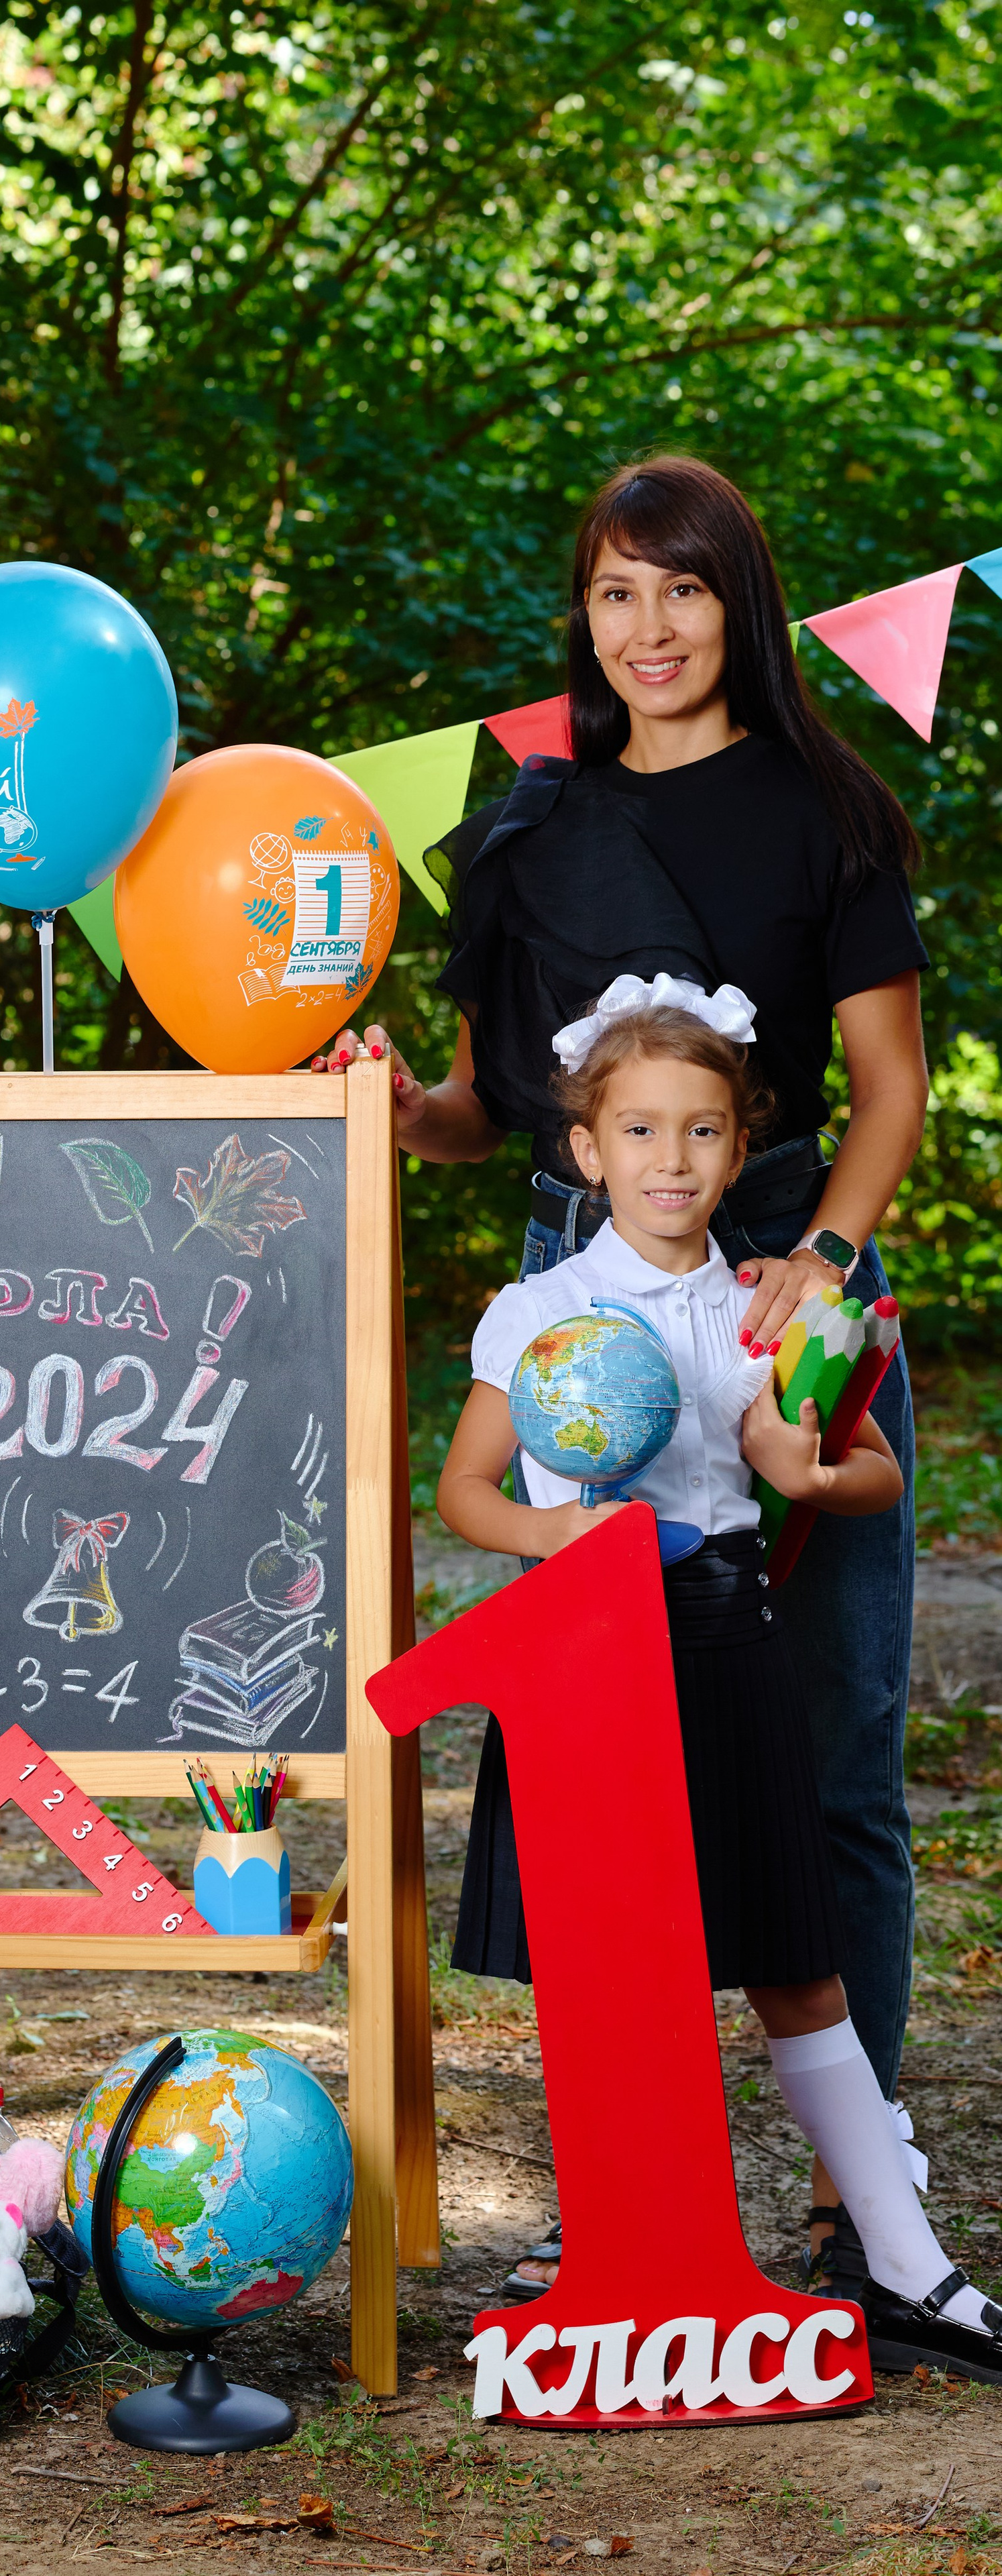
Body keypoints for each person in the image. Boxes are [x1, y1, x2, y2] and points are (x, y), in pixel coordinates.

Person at [320, 454, 930, 2318]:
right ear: (580, 622)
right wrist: (397, 1110)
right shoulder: (528, 827)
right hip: (585, 1307)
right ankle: (641, 2207)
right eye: (612, 596)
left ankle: (862, 2215)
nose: (648, 631)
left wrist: (820, 1263)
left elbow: (889, 1087)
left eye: (681, 592)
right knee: (618, 1773)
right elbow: (499, 1107)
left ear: (739, 604)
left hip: (782, 1291)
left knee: (829, 1749)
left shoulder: (832, 809)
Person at [435, 983, 1001, 2381]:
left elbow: (844, 1469)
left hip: (719, 1638)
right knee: (605, 1971)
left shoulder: (761, 1310)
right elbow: (463, 1490)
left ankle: (905, 2262)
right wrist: (548, 1530)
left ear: (738, 1152)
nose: (669, 1159)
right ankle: (601, 2247)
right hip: (583, 1650)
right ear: (584, 1149)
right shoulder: (538, 1309)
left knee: (796, 1970)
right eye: (637, 1130)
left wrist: (817, 1468)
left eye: (699, 1131)